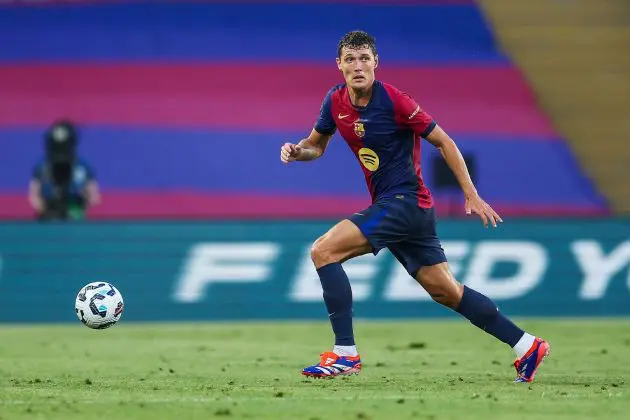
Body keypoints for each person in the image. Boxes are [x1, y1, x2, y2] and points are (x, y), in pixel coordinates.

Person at [280, 31, 550, 383]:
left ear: (376, 62)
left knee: (323, 251)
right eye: (350, 59)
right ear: (340, 65)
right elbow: (316, 145)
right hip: (404, 208)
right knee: (446, 291)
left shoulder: (395, 101)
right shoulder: (334, 101)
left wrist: (470, 193)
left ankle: (345, 353)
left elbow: (444, 141)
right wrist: (299, 152)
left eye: (364, 58)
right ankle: (526, 345)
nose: (358, 65)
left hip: (405, 201)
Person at [29, 120, 101, 221]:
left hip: (75, 220)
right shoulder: (42, 167)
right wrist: (47, 209)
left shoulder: (83, 167)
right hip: (47, 220)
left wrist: (79, 203)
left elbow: (94, 197)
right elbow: (34, 196)